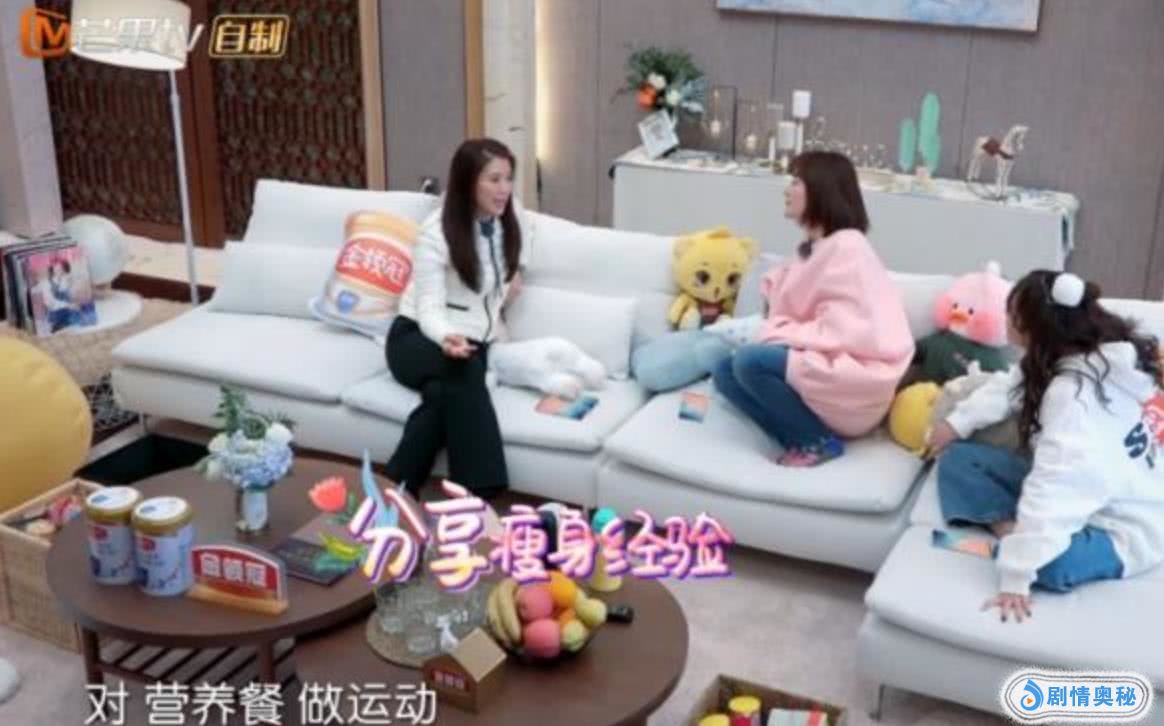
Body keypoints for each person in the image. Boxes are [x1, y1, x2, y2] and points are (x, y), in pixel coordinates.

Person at [929, 270, 1164, 623]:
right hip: (1097, 483)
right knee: (959, 458)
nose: (1005, 320)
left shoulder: (1073, 398)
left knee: (1049, 567)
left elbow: (1054, 486)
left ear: (1030, 326)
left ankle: (1021, 539)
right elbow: (1009, 386)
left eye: (1011, 315)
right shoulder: (1082, 353)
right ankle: (1010, 530)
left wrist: (1016, 575)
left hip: (1127, 524)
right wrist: (955, 423)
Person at [709, 151, 913, 467]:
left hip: (857, 377)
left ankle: (816, 441)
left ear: (821, 190)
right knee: (724, 370)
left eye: (796, 182)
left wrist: (768, 332)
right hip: (827, 364)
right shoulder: (815, 248)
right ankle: (802, 435)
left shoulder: (848, 247)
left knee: (750, 360)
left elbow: (846, 331)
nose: (786, 190)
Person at [384, 138, 529, 499]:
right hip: (416, 338)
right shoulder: (436, 233)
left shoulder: (511, 217)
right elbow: (429, 307)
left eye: (508, 178)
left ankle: (398, 488)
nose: (504, 189)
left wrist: (512, 279)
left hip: (469, 346)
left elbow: (514, 268)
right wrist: (446, 337)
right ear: (468, 182)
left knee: (442, 394)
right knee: (465, 372)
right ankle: (479, 495)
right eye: (493, 180)